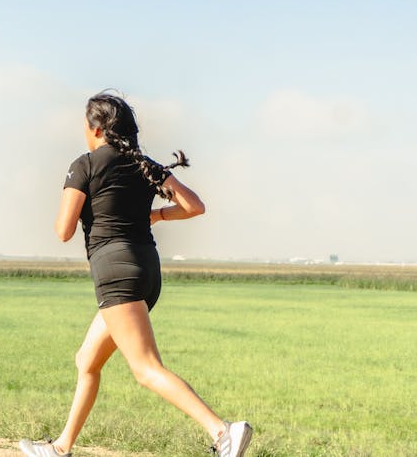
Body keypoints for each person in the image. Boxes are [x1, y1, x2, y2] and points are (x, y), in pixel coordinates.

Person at [19, 91, 252, 457]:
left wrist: (80, 202)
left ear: (95, 128)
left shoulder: (85, 164)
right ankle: (61, 447)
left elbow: (63, 231)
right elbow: (194, 206)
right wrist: (157, 215)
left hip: (116, 273)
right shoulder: (143, 164)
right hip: (147, 271)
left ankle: (223, 430)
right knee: (87, 360)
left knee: (145, 369)